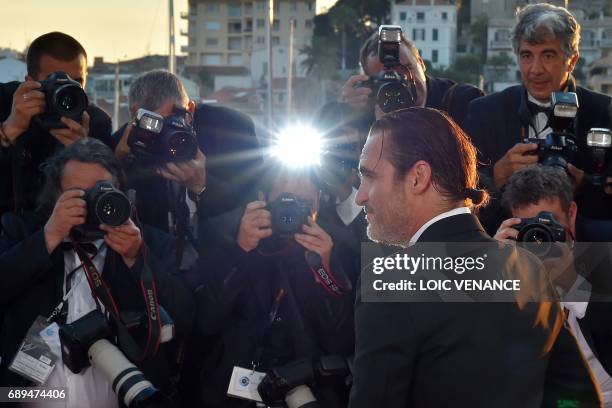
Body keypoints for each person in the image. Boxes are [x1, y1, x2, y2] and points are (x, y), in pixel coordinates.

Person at [349, 107, 566, 407]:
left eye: (369, 176)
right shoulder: (529, 268)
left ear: (418, 178)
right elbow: (576, 393)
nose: (360, 195)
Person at [0, 139, 193, 406]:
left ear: (121, 193)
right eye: (79, 193)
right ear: (56, 195)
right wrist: (49, 236)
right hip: (31, 396)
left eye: (102, 192)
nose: (92, 202)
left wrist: (136, 259)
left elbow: (185, 315)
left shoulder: (149, 242)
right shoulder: (21, 230)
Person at [194, 163, 355, 407]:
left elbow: (341, 342)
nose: (290, 213)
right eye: (284, 201)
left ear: (317, 203)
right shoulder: (226, 232)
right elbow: (206, 322)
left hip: (311, 385)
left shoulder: (336, 244)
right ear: (262, 199)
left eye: (303, 203)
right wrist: (240, 252)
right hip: (236, 385)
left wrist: (325, 269)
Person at [466, 3, 612, 235]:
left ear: (572, 60)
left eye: (548, 55)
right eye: (526, 55)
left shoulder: (605, 112)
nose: (535, 69)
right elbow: (461, 201)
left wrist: (587, 184)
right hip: (509, 251)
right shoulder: (484, 112)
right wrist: (496, 176)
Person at [114, 70, 263, 269]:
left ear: (191, 109)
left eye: (174, 121)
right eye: (154, 124)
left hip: (224, 264)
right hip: (157, 269)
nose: (165, 133)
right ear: (135, 115)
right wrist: (119, 162)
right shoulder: (124, 143)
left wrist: (202, 185)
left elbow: (253, 202)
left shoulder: (231, 130)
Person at [495, 165, 612, 405]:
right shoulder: (507, 265)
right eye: (529, 228)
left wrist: (573, 285)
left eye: (549, 224)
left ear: (571, 212)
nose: (539, 239)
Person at [0, 32, 113, 222]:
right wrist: (9, 129)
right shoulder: (4, 101)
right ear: (29, 81)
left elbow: (107, 195)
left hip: (64, 234)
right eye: (54, 81)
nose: (66, 91)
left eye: (76, 83)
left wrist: (84, 153)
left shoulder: (96, 121)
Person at [340, 29, 484, 130]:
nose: (400, 84)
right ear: (368, 84)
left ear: (421, 63)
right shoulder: (364, 115)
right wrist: (346, 113)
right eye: (385, 80)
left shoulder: (465, 103)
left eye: (405, 69)